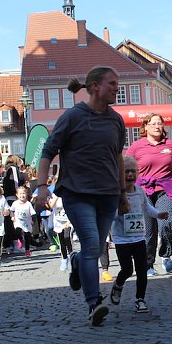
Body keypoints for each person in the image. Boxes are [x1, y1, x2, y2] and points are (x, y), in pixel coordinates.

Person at [34, 66, 126, 326]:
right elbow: (48, 152)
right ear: (95, 86)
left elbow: (118, 157)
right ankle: (94, 303)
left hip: (107, 193)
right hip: (77, 193)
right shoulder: (72, 117)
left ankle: (75, 261)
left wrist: (122, 192)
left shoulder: (115, 120)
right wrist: (42, 187)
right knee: (91, 243)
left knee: (96, 248)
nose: (116, 89)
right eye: (112, 83)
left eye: (117, 84)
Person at [126, 114, 172, 274]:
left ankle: (166, 256)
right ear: (145, 127)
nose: (157, 126)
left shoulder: (170, 145)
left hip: (165, 188)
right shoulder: (136, 146)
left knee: (166, 223)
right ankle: (148, 264)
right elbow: (126, 165)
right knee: (148, 230)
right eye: (153, 123)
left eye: (159, 123)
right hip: (142, 190)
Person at [108, 156, 168, 316]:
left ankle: (140, 299)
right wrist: (118, 211)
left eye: (133, 171)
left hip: (139, 238)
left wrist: (159, 214)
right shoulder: (116, 194)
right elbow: (110, 215)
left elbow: (147, 208)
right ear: (120, 174)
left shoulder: (140, 192)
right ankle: (118, 285)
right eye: (126, 172)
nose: (129, 175)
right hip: (122, 239)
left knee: (142, 269)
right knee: (127, 269)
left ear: (137, 173)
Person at [11, 186, 36, 256]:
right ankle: (20, 239)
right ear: (17, 195)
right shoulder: (15, 203)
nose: (22, 195)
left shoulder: (28, 204)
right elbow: (12, 210)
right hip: (18, 221)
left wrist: (33, 221)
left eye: (24, 193)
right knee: (17, 231)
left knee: (27, 236)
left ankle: (27, 250)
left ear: (26, 194)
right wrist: (12, 216)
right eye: (20, 194)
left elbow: (33, 213)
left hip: (27, 222)